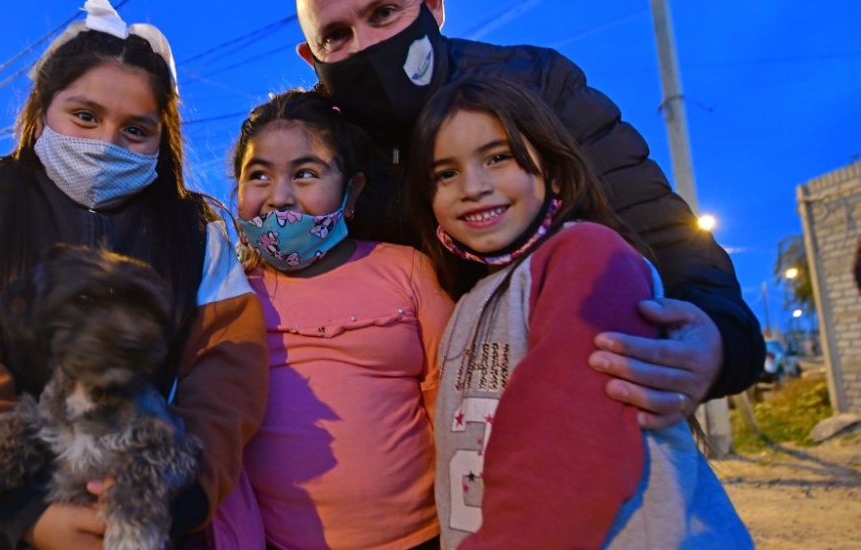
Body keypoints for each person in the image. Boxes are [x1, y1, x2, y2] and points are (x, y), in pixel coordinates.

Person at [0, 2, 268, 548]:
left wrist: (180, 495)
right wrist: (20, 505)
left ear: (163, 138)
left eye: (136, 130)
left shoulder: (196, 226)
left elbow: (229, 373)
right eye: (85, 116)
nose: (106, 144)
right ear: (42, 110)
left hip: (142, 517)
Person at [293, 0, 764, 427]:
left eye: (384, 13)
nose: (369, 45)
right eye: (335, 36)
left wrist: (717, 336)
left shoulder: (536, 86)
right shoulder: (316, 149)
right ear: (311, 57)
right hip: (417, 462)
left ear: (433, 7)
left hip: (591, 417)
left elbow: (655, 224)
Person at [408, 77, 750, 548]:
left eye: (498, 157)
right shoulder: (469, 303)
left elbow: (572, 451)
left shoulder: (585, 257)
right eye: (445, 174)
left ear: (550, 169)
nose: (473, 186)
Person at [212, 89, 453, 548]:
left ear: (353, 190)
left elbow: (452, 402)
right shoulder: (230, 296)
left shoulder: (407, 270)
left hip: (427, 538)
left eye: (305, 173)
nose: (279, 198)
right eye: (258, 175)